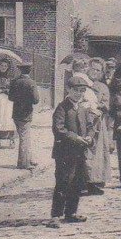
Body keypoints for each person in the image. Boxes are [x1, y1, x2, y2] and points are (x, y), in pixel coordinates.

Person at [49, 76, 93, 226]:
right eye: (76, 90)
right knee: (63, 182)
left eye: (82, 91)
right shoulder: (62, 108)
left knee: (77, 182)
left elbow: (90, 126)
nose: (79, 93)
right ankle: (56, 215)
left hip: (80, 152)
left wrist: (89, 136)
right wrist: (76, 138)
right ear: (68, 90)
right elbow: (59, 129)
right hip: (65, 153)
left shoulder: (83, 108)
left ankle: (71, 212)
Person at [84, 58, 113, 194]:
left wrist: (98, 105)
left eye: (98, 70)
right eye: (93, 69)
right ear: (87, 68)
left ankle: (95, 180)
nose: (95, 72)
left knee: (97, 152)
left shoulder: (103, 87)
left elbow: (106, 105)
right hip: (82, 121)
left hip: (97, 123)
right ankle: (82, 181)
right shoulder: (82, 82)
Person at [8, 62, 39, 170]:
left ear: (20, 70)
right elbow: (36, 100)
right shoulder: (31, 83)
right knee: (24, 138)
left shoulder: (14, 82)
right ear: (29, 71)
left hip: (16, 113)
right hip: (26, 113)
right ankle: (23, 163)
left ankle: (29, 159)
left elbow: (10, 97)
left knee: (24, 137)